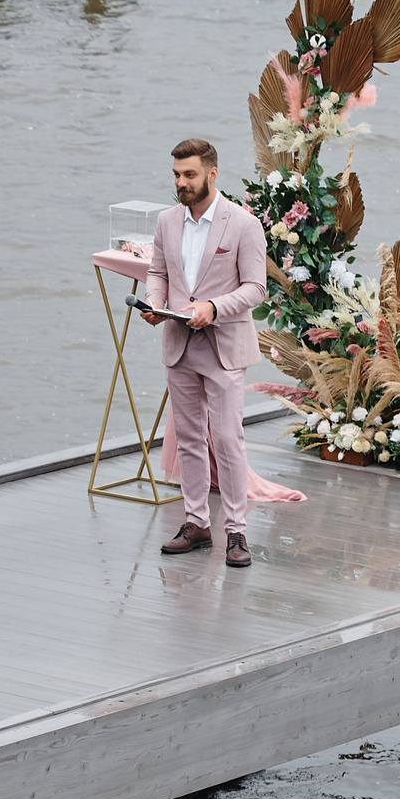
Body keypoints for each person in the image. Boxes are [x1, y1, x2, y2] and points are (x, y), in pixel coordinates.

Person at [142, 137, 269, 568]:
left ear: (212, 174)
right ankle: (196, 523)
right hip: (178, 344)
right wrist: (155, 305)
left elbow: (256, 289)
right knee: (190, 439)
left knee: (228, 440)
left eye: (189, 174)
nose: (181, 182)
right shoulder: (165, 222)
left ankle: (236, 531)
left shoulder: (244, 224)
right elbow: (157, 272)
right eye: (177, 174)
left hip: (223, 347)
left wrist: (213, 308)